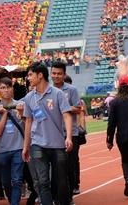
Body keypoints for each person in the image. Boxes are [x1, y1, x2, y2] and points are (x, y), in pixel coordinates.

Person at [22, 62, 72, 205]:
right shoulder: (29, 97)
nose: (28, 78)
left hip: (57, 144)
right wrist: (26, 146)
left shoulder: (58, 94)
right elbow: (28, 122)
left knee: (61, 180)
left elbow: (67, 115)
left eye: (31, 75)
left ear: (40, 75)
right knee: (42, 181)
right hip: (37, 144)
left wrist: (68, 137)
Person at [0, 78, 25, 205]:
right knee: (6, 182)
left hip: (18, 147)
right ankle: (12, 201)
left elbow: (27, 125)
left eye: (8, 87)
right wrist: (4, 114)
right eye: (2, 88)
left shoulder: (20, 104)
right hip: (3, 149)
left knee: (17, 180)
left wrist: (21, 113)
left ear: (12, 88)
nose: (6, 90)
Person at [52, 61, 83, 197]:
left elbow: (78, 108)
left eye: (59, 74)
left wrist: (64, 107)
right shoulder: (47, 90)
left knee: (70, 166)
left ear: (64, 75)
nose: (56, 76)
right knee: (56, 167)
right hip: (53, 134)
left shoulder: (71, 90)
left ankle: (69, 194)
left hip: (71, 133)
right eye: (54, 73)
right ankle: (58, 194)